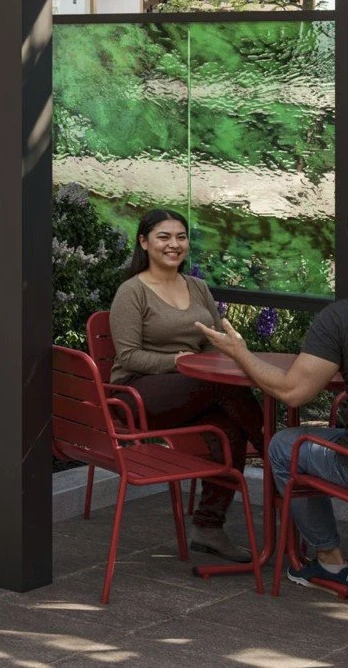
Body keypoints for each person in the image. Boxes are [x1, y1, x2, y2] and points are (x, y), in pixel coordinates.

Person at [199, 210, 348, 593]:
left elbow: (294, 392)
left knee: (284, 445)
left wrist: (238, 351)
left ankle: (329, 562)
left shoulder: (344, 317)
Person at [106, 208, 261, 562]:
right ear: (144, 243)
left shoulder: (197, 286)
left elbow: (211, 342)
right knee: (222, 388)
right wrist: (177, 361)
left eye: (181, 237)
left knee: (230, 432)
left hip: (194, 388)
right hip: (140, 392)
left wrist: (223, 352)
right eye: (164, 237)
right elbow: (128, 357)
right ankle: (277, 457)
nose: (174, 245)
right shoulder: (132, 292)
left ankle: (208, 528)